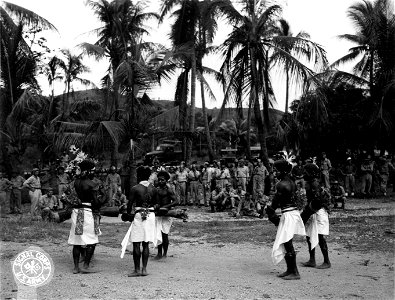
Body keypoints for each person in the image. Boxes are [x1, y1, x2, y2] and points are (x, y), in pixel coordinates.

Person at [265, 159, 306, 280]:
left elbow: (276, 202)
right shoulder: (291, 181)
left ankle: (295, 272)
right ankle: (289, 270)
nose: (274, 172)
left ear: (282, 170)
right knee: (286, 242)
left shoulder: (281, 184)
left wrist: (269, 210)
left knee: (287, 243)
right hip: (292, 213)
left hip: (288, 214)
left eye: (276, 170)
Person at [120, 166, 159, 277]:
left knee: (136, 243)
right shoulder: (153, 188)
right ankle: (144, 269)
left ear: (138, 176)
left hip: (139, 215)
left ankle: (137, 270)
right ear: (148, 176)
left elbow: (129, 205)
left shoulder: (135, 188)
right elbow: (157, 205)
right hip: (150, 215)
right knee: (146, 243)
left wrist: (129, 215)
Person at [68, 160, 103, 274]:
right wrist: (103, 198)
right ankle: (86, 266)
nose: (94, 172)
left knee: (77, 240)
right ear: (88, 170)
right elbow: (96, 203)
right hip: (87, 213)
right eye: (92, 170)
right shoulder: (91, 184)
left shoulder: (76, 182)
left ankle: (75, 267)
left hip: (76, 212)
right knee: (92, 240)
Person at [301, 163, 332, 269]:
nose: (304, 173)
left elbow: (318, 201)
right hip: (313, 211)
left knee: (320, 237)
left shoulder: (314, 183)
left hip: (318, 212)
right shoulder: (311, 182)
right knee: (309, 235)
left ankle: (327, 261)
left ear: (311, 173)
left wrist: (306, 212)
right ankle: (312, 260)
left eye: (306, 171)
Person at [154, 171, 178, 260]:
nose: (160, 181)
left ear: (166, 180)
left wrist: (166, 207)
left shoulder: (169, 189)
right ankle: (159, 253)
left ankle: (165, 254)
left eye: (162, 180)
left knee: (164, 234)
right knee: (158, 234)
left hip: (166, 214)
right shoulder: (156, 189)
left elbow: (176, 201)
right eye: (159, 180)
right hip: (158, 214)